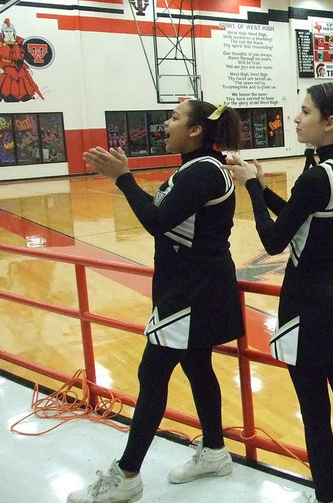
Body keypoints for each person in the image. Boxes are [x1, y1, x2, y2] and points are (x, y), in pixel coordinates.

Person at [225, 81, 333, 503]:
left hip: (305, 307)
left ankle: (324, 497)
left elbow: (273, 240)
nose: (296, 118)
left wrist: (251, 187)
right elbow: (303, 216)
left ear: (331, 122)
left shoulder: (317, 176)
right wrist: (263, 187)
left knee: (316, 415)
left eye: (304, 111)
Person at [69, 99, 246, 503]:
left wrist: (123, 178)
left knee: (152, 377)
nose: (167, 124)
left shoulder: (203, 170)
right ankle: (216, 452)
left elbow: (156, 221)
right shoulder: (198, 167)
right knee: (199, 369)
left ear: (197, 130)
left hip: (191, 292)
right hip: (192, 287)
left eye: (175, 118)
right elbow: (165, 215)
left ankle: (127, 475)